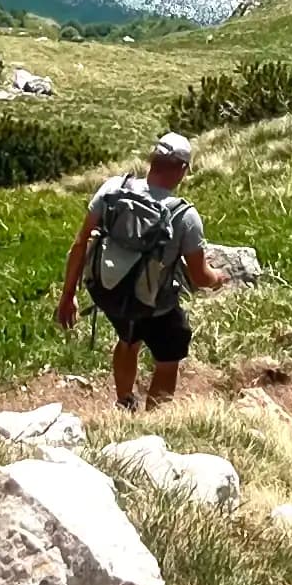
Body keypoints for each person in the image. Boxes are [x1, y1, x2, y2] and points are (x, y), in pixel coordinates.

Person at [59, 131, 223, 410]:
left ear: (151, 160)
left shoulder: (112, 189)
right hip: (155, 305)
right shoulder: (184, 216)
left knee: (127, 338)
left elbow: (81, 241)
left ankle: (124, 403)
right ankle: (154, 420)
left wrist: (68, 295)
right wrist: (218, 278)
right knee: (169, 357)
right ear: (182, 169)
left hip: (109, 292)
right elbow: (199, 277)